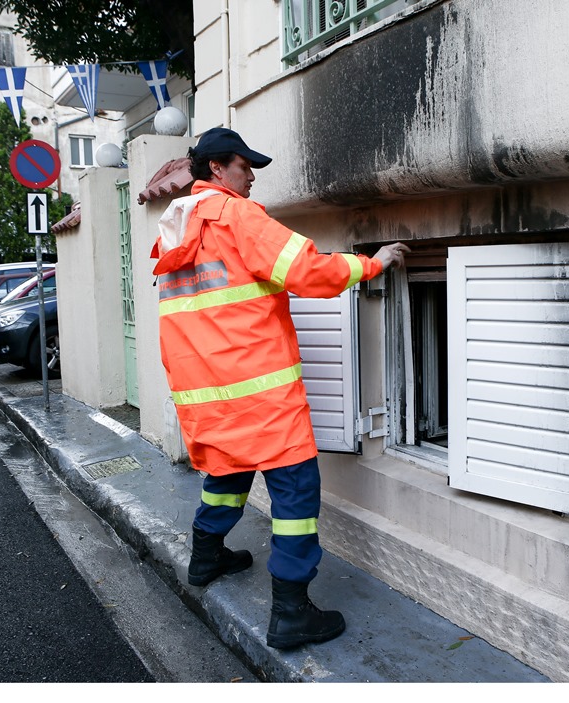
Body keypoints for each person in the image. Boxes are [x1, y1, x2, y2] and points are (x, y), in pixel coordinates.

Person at [151, 127, 409, 649]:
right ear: (218, 169)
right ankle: (292, 613)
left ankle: (206, 557)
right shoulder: (239, 216)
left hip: (205, 392)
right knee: (294, 495)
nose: (252, 177)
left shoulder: (173, 228)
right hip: (260, 391)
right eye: (246, 167)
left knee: (227, 470)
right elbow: (308, 271)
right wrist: (372, 263)